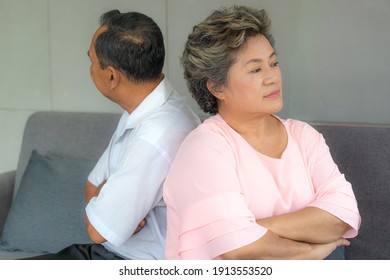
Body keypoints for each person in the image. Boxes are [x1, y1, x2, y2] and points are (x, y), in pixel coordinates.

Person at [163, 5, 361, 260]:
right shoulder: (204, 149)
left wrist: (251, 230)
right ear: (216, 87)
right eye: (256, 69)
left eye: (274, 63)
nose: (273, 78)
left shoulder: (304, 136)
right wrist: (314, 251)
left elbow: (343, 214)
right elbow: (242, 252)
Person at [27, 10, 200, 260]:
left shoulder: (155, 136)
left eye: (91, 61)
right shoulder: (146, 108)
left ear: (111, 76)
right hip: (107, 253)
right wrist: (108, 203)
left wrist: (107, 200)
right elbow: (91, 185)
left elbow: (97, 230)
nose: (90, 68)